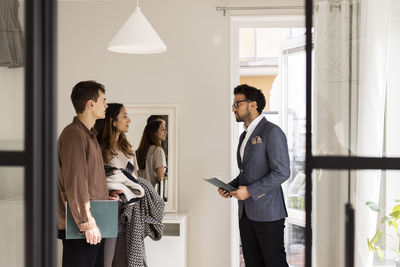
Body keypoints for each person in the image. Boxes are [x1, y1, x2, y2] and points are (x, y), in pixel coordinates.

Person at [218, 84, 290, 267]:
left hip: (269, 213)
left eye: (237, 104)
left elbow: (282, 172)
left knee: (274, 263)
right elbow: (247, 173)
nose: (234, 108)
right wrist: (230, 187)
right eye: (233, 105)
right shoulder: (244, 137)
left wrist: (250, 191)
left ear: (253, 104)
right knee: (252, 263)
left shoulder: (272, 132)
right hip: (246, 214)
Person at [57, 80, 119, 267]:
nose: (106, 105)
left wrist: (106, 197)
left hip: (92, 223)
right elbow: (75, 185)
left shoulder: (88, 135)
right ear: (90, 104)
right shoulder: (74, 135)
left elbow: (88, 182)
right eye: (103, 100)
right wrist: (87, 223)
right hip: (82, 227)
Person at [94, 103, 145, 267]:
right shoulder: (98, 149)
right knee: (106, 260)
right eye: (124, 116)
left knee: (125, 258)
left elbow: (134, 181)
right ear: (113, 121)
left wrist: (125, 192)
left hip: (128, 211)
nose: (128, 120)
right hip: (107, 210)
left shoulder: (128, 150)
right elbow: (95, 179)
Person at [136, 120, 167, 187]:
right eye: (162, 129)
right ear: (155, 132)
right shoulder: (158, 150)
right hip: (151, 192)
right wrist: (167, 178)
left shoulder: (138, 152)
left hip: (139, 192)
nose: (165, 132)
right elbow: (160, 177)